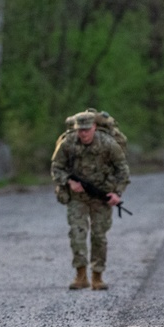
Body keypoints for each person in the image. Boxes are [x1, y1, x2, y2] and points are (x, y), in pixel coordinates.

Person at [51, 110, 131, 291]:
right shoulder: (68, 143)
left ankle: (97, 276)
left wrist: (117, 193)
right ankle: (80, 275)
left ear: (94, 127)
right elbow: (56, 167)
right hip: (77, 198)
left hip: (101, 196)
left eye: (87, 130)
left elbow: (123, 170)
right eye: (80, 130)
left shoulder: (108, 144)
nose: (84, 134)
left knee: (99, 236)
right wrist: (70, 182)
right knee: (77, 234)